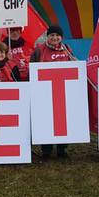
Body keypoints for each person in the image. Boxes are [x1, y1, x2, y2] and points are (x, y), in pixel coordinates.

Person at [30, 25, 75, 159]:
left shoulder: (67, 49)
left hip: (62, 92)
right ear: (47, 37)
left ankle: (62, 149)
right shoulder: (39, 50)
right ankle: (46, 150)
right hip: (43, 93)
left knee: (62, 120)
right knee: (45, 120)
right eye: (51, 35)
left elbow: (74, 65)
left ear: (61, 37)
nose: (54, 38)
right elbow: (31, 69)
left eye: (57, 35)